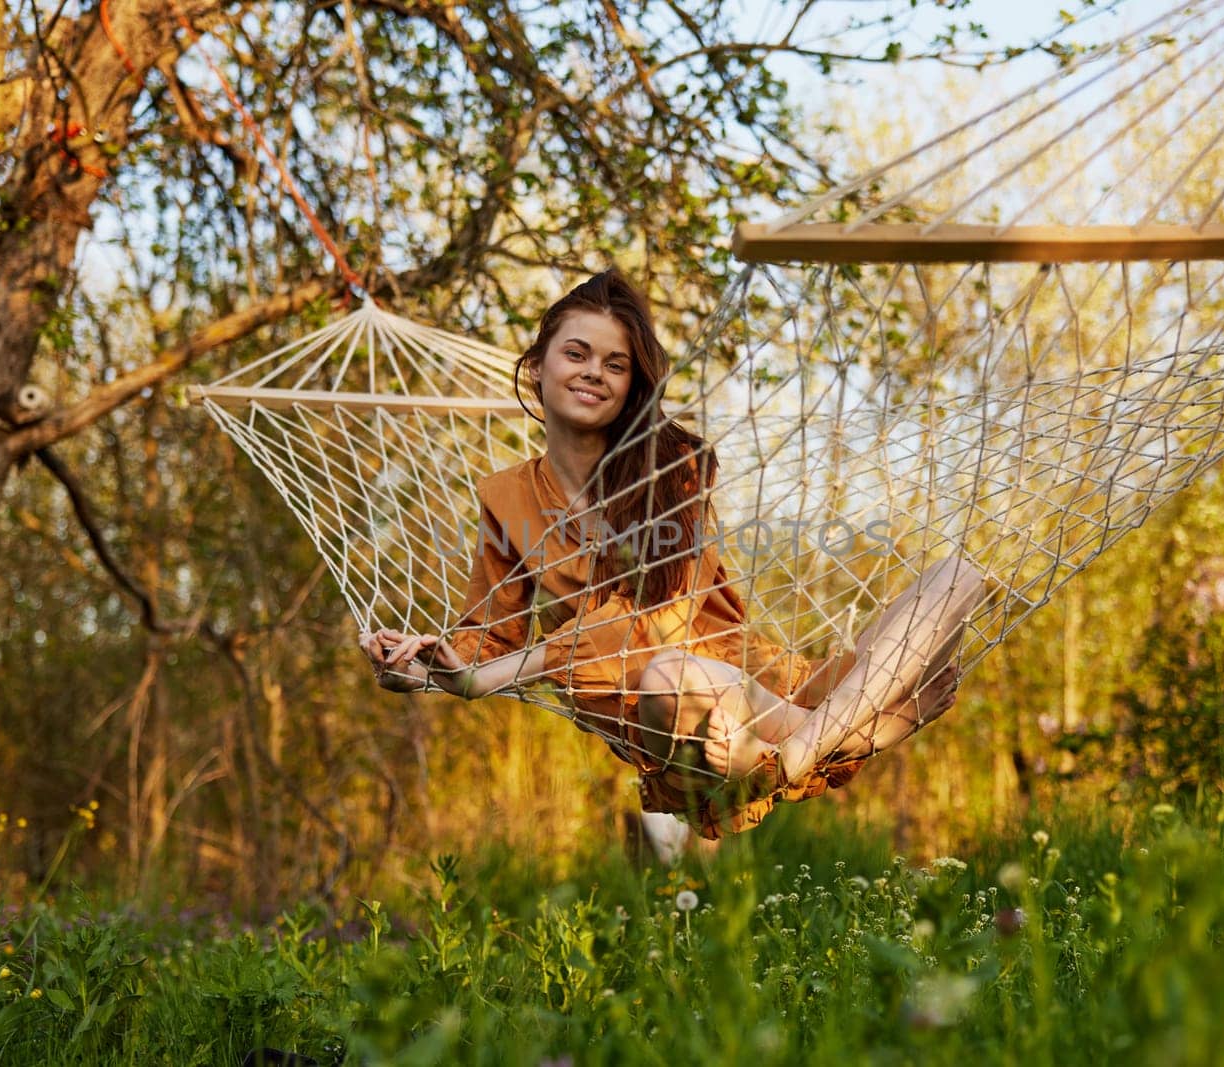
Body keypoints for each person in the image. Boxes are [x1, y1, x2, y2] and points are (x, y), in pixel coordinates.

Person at [360, 269, 982, 838]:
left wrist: (489, 677)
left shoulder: (673, 472)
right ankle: (862, 729)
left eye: (615, 363)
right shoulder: (507, 497)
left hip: (749, 686)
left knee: (958, 577)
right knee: (667, 677)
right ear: (537, 367)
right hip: (658, 712)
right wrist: (424, 668)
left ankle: (798, 749)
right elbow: (488, 638)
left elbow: (662, 615)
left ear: (632, 385)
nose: (592, 373)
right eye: (576, 353)